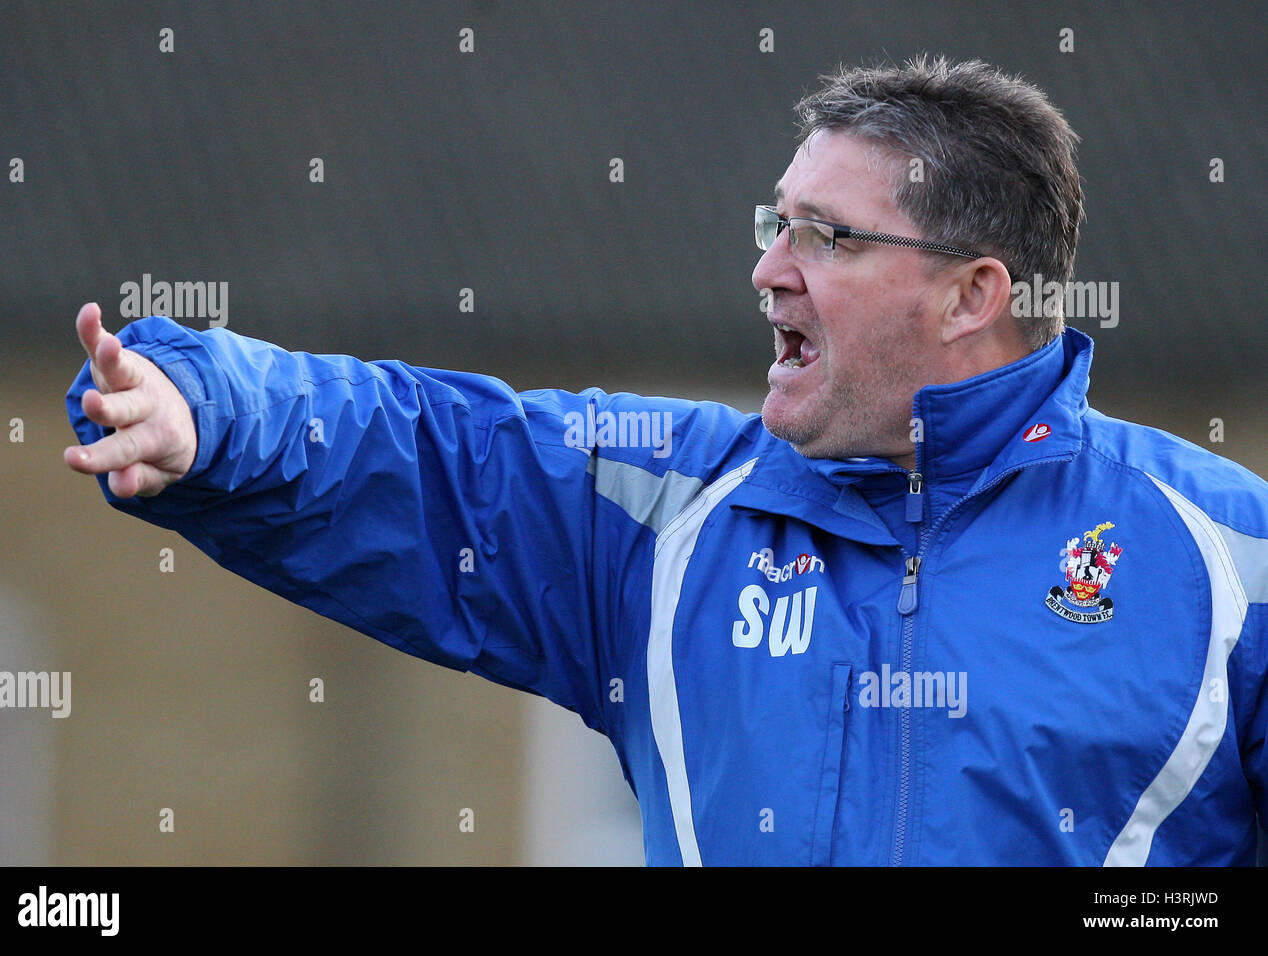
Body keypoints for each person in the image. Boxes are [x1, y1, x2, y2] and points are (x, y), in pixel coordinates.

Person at [65, 55, 1268, 866]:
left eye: (826, 236)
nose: (769, 269)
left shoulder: (1229, 559)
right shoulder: (665, 507)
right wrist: (212, 403)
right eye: (774, 222)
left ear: (972, 293)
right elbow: (435, 448)